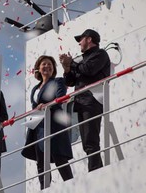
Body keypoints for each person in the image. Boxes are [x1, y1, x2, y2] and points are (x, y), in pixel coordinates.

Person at [59, 29, 110, 172]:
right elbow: (69, 82)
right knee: (87, 142)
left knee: (91, 140)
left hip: (92, 100)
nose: (79, 43)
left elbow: (89, 70)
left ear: (89, 39)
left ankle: (95, 171)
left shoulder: (101, 54)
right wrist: (67, 68)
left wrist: (72, 64)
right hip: (81, 103)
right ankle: (95, 169)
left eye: (80, 40)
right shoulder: (81, 60)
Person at [21, 55, 73, 190]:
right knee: (41, 161)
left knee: (59, 156)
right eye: (44, 64)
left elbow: (61, 98)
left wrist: (45, 105)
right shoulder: (35, 88)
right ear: (38, 68)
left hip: (53, 125)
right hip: (38, 128)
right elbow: (34, 106)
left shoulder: (58, 81)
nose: (47, 66)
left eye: (50, 64)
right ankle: (45, 188)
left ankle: (71, 184)